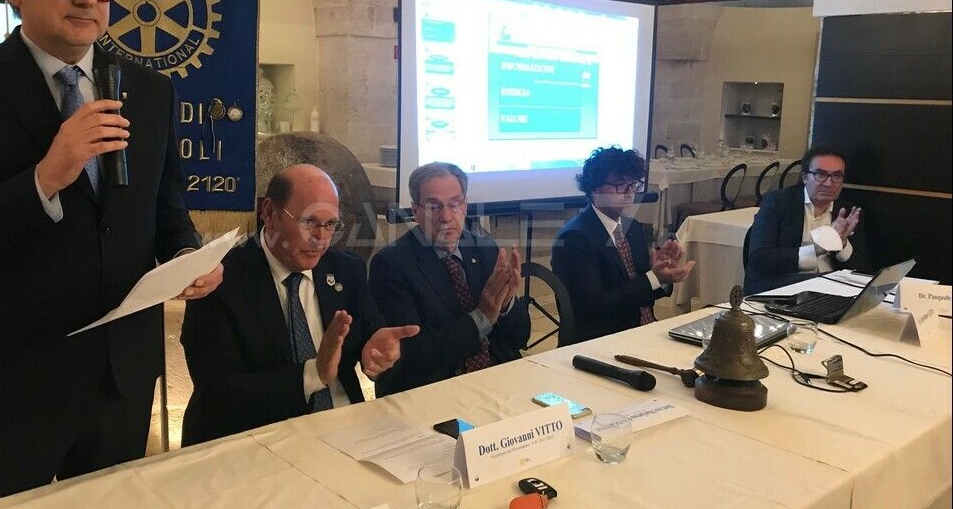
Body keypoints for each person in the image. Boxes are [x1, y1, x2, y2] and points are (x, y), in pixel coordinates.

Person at [0, 0, 222, 504]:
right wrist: (43, 180)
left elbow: (168, 212)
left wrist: (188, 255)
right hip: (7, 386)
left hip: (120, 380)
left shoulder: (150, 90)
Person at [181, 165, 418, 445]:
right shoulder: (220, 280)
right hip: (255, 439)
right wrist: (312, 374)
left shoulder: (346, 270)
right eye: (308, 222)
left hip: (345, 427)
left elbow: (372, 339)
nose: (321, 238)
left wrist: (378, 353)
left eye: (330, 224)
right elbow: (218, 392)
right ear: (270, 212)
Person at [369, 162, 529, 396]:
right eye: (433, 206)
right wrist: (483, 317)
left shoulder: (485, 249)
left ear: (465, 206)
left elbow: (520, 338)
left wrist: (505, 305)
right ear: (415, 211)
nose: (445, 217)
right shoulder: (391, 264)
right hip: (435, 389)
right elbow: (413, 355)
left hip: (497, 380)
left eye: (454, 204)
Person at [551, 146, 694, 345]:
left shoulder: (632, 227)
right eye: (620, 185)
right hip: (601, 341)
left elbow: (642, 290)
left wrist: (662, 273)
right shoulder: (575, 238)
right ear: (594, 188)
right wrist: (653, 278)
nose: (629, 193)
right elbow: (593, 307)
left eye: (633, 184)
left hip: (641, 331)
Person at [745, 146, 870, 294]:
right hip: (784, 290)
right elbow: (759, 258)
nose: (829, 183)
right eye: (820, 174)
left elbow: (862, 270)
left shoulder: (849, 212)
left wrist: (842, 244)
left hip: (832, 291)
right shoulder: (778, 202)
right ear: (805, 177)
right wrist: (816, 249)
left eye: (836, 176)